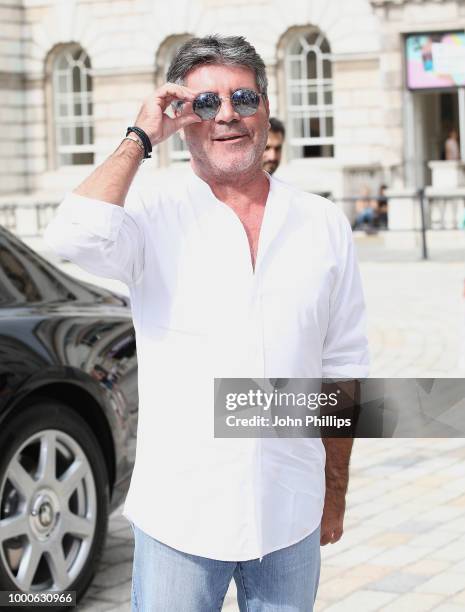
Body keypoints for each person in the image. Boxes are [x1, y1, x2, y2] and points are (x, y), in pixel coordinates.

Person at [44, 35, 369, 611]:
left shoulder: (322, 223)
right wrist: (140, 137)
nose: (226, 115)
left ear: (265, 110)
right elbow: (73, 235)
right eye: (204, 103)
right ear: (180, 115)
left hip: (289, 510)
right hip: (181, 517)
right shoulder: (148, 213)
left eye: (243, 98)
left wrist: (334, 492)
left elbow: (342, 366)